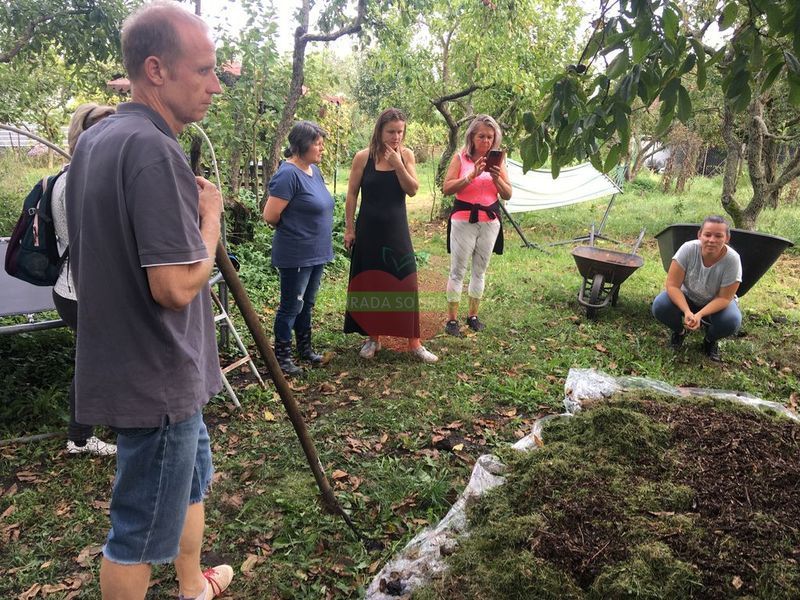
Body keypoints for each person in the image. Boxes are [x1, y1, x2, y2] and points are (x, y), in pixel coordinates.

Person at [65, 3, 232, 599]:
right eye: (204, 71)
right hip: (157, 372)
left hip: (140, 361)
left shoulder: (98, 139)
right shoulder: (154, 150)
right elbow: (175, 286)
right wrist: (209, 221)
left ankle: (193, 587)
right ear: (156, 70)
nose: (215, 86)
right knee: (137, 531)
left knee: (190, 481)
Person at [343, 108, 438, 363]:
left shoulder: (406, 155)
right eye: (391, 132)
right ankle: (373, 338)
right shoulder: (363, 157)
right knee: (372, 281)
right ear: (379, 131)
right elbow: (351, 194)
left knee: (405, 281)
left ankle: (414, 343)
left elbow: (413, 190)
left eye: (400, 132)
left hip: (396, 229)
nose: (396, 137)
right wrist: (349, 228)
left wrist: (398, 165)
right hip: (368, 229)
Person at [51, 103, 118, 457]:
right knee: (95, 360)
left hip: (76, 287)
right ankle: (79, 437)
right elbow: (96, 240)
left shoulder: (69, 175)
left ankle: (106, 424)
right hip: (82, 290)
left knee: (101, 357)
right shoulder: (79, 181)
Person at [263, 120, 334, 376]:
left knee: (307, 303)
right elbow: (270, 215)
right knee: (291, 305)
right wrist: (297, 230)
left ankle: (305, 349)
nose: (322, 149)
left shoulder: (314, 171)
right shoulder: (288, 174)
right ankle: (282, 357)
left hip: (317, 252)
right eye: (318, 144)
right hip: (296, 253)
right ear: (302, 145)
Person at [441, 114, 512, 337]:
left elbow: (508, 194)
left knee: (480, 271)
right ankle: (452, 319)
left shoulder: (498, 161)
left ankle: (473, 316)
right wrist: (471, 176)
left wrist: (496, 178)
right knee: (457, 271)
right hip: (463, 220)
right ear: (472, 136)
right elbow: (447, 188)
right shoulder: (460, 158)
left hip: (489, 221)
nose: (486, 141)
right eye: (481, 136)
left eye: (490, 137)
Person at [652, 215, 742, 362]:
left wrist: (700, 314)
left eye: (718, 236)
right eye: (707, 234)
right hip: (687, 296)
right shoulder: (688, 249)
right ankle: (679, 332)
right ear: (699, 235)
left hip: (716, 302)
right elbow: (672, 285)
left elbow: (724, 298)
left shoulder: (733, 259)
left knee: (732, 320)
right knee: (660, 305)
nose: (711, 240)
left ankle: (710, 339)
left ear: (727, 238)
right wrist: (687, 311)